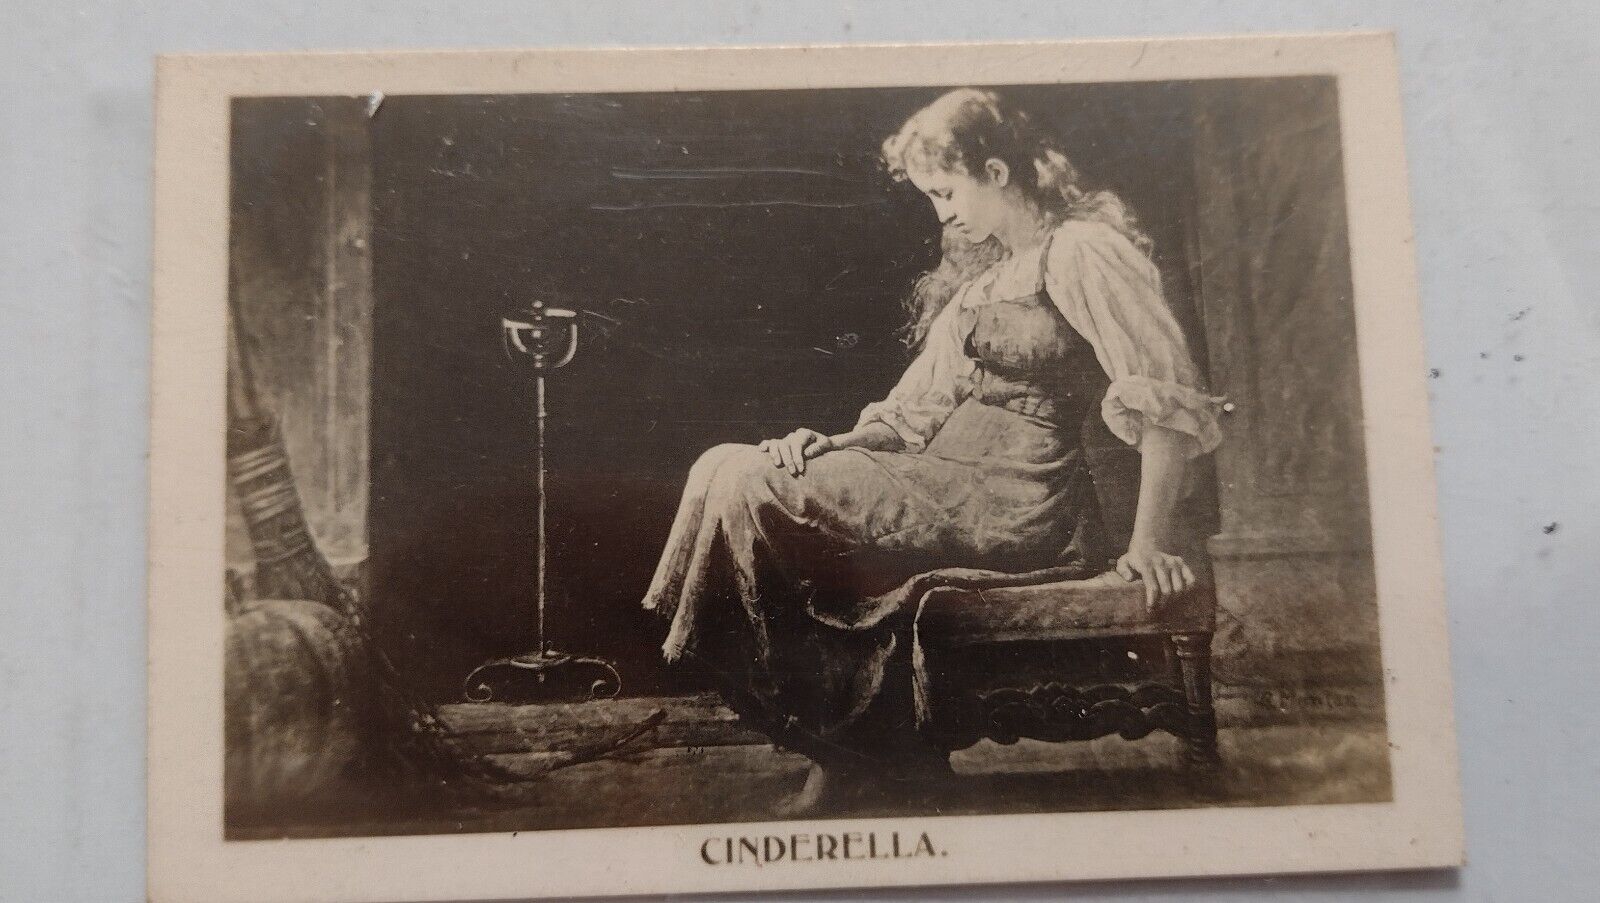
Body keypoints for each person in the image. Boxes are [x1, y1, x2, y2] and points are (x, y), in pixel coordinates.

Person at [640, 87, 1223, 813]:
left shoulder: (1083, 251)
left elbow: (1167, 401)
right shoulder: (985, 281)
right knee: (723, 463)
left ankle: (846, 749)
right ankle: (844, 743)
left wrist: (1149, 542)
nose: (941, 212)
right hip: (942, 477)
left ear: (997, 172)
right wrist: (832, 444)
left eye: (947, 192)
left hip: (1016, 497)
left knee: (750, 485)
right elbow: (916, 412)